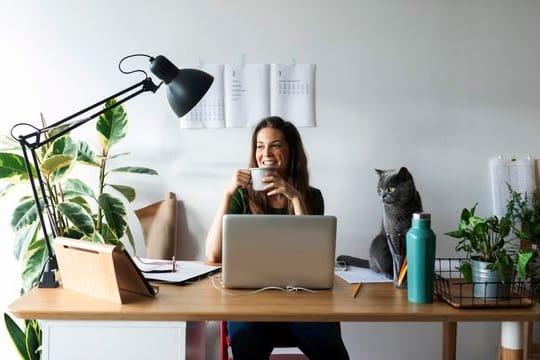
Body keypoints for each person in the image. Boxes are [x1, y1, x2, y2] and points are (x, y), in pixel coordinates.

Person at [205, 116, 349, 360]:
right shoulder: (242, 196)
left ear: (291, 151)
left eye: (276, 145)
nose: (266, 153)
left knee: (333, 353)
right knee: (246, 342)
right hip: (250, 303)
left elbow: (312, 254)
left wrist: (295, 197)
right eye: (260, 146)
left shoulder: (311, 197)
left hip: (301, 303)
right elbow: (213, 255)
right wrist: (228, 193)